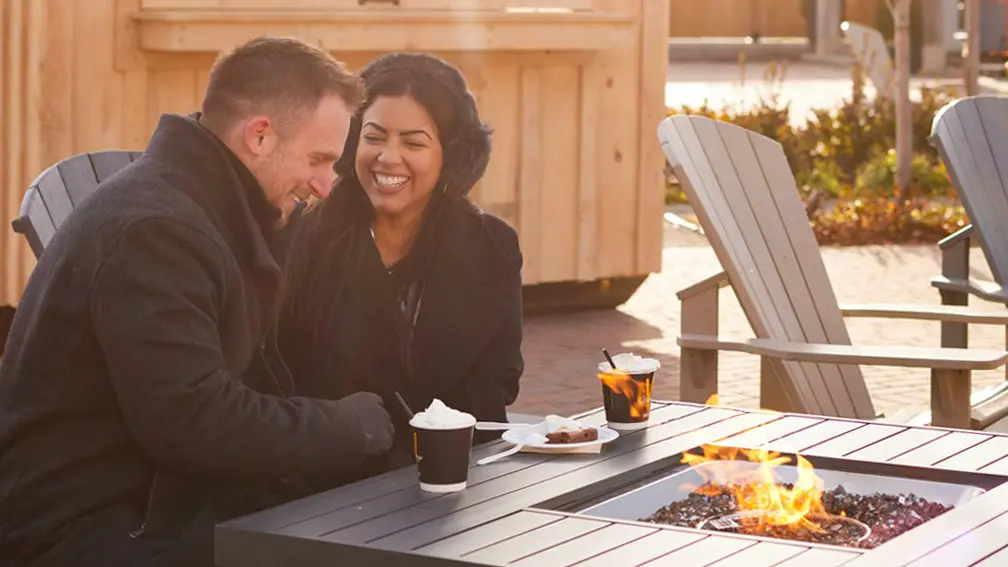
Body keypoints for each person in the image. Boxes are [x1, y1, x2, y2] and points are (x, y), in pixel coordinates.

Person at [0, 37, 395, 567]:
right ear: (258, 136)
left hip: (159, 497)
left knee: (369, 506)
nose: (325, 186)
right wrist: (346, 428)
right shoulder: (157, 232)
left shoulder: (216, 208)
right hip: (85, 526)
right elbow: (193, 422)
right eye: (319, 160)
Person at [279, 52, 524, 479]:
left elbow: (500, 378)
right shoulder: (301, 239)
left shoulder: (492, 246)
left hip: (457, 474)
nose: (388, 158)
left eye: (413, 142)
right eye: (374, 137)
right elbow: (282, 381)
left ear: (450, 155)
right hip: (329, 482)